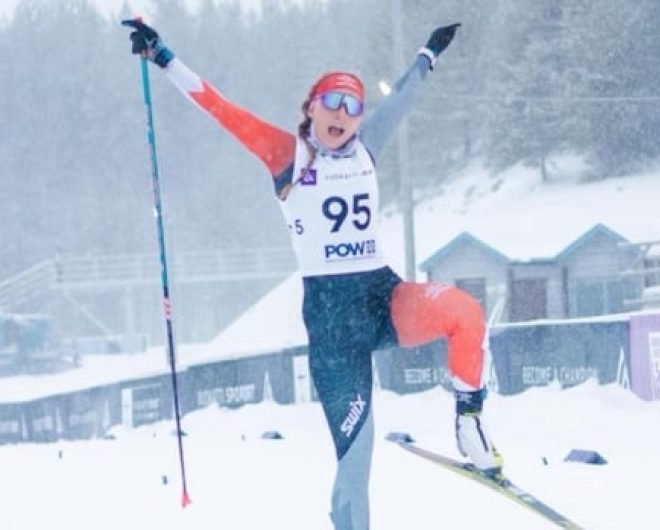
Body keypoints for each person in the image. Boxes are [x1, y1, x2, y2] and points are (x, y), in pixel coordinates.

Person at [122, 18, 503, 530]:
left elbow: (406, 96)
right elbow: (220, 108)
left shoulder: (367, 146)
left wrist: (429, 52)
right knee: (356, 462)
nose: (343, 114)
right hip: (332, 326)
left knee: (464, 311)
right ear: (312, 108)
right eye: (332, 102)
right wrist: (163, 57)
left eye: (353, 106)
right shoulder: (288, 155)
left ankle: (470, 421)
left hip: (382, 296)